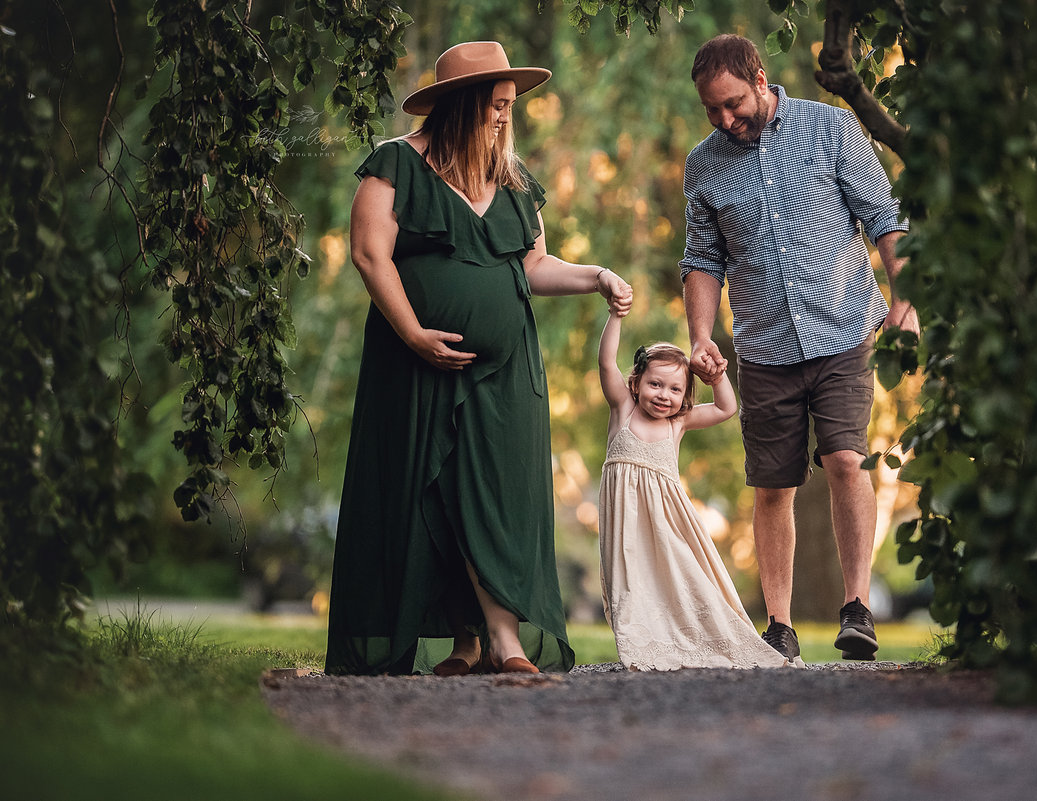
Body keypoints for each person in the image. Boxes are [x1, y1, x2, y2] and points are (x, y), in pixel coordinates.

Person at [325, 41, 633, 676]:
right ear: (461, 105)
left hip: (506, 368)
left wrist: (595, 275)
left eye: (510, 106)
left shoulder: (514, 183)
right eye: (495, 105)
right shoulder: (395, 165)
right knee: (427, 494)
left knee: (497, 492)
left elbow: (534, 265)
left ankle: (502, 639)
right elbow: (368, 254)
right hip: (413, 362)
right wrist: (413, 334)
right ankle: (469, 638)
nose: (504, 117)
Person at [680, 33, 920, 664]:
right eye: (712, 110)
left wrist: (906, 300)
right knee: (771, 486)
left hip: (844, 331)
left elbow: (885, 217)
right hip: (762, 345)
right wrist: (702, 336)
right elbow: (703, 259)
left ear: (760, 79)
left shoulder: (831, 128)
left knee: (846, 459)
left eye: (732, 103)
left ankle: (857, 609)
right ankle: (780, 627)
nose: (725, 120)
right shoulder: (704, 164)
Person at [596, 310, 789, 670]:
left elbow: (725, 407)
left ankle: (694, 633)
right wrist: (616, 315)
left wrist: (716, 376)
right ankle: (644, 640)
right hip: (627, 527)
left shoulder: (678, 423)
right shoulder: (623, 409)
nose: (663, 395)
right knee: (634, 582)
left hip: (669, 525)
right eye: (655, 384)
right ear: (636, 383)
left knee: (680, 578)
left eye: (674, 389)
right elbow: (606, 361)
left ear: (685, 395)